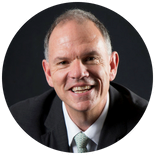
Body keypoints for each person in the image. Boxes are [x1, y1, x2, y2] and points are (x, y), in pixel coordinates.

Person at [9, 9, 148, 153]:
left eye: (91, 58)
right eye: (63, 62)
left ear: (112, 65)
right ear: (49, 73)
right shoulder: (21, 122)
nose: (78, 73)